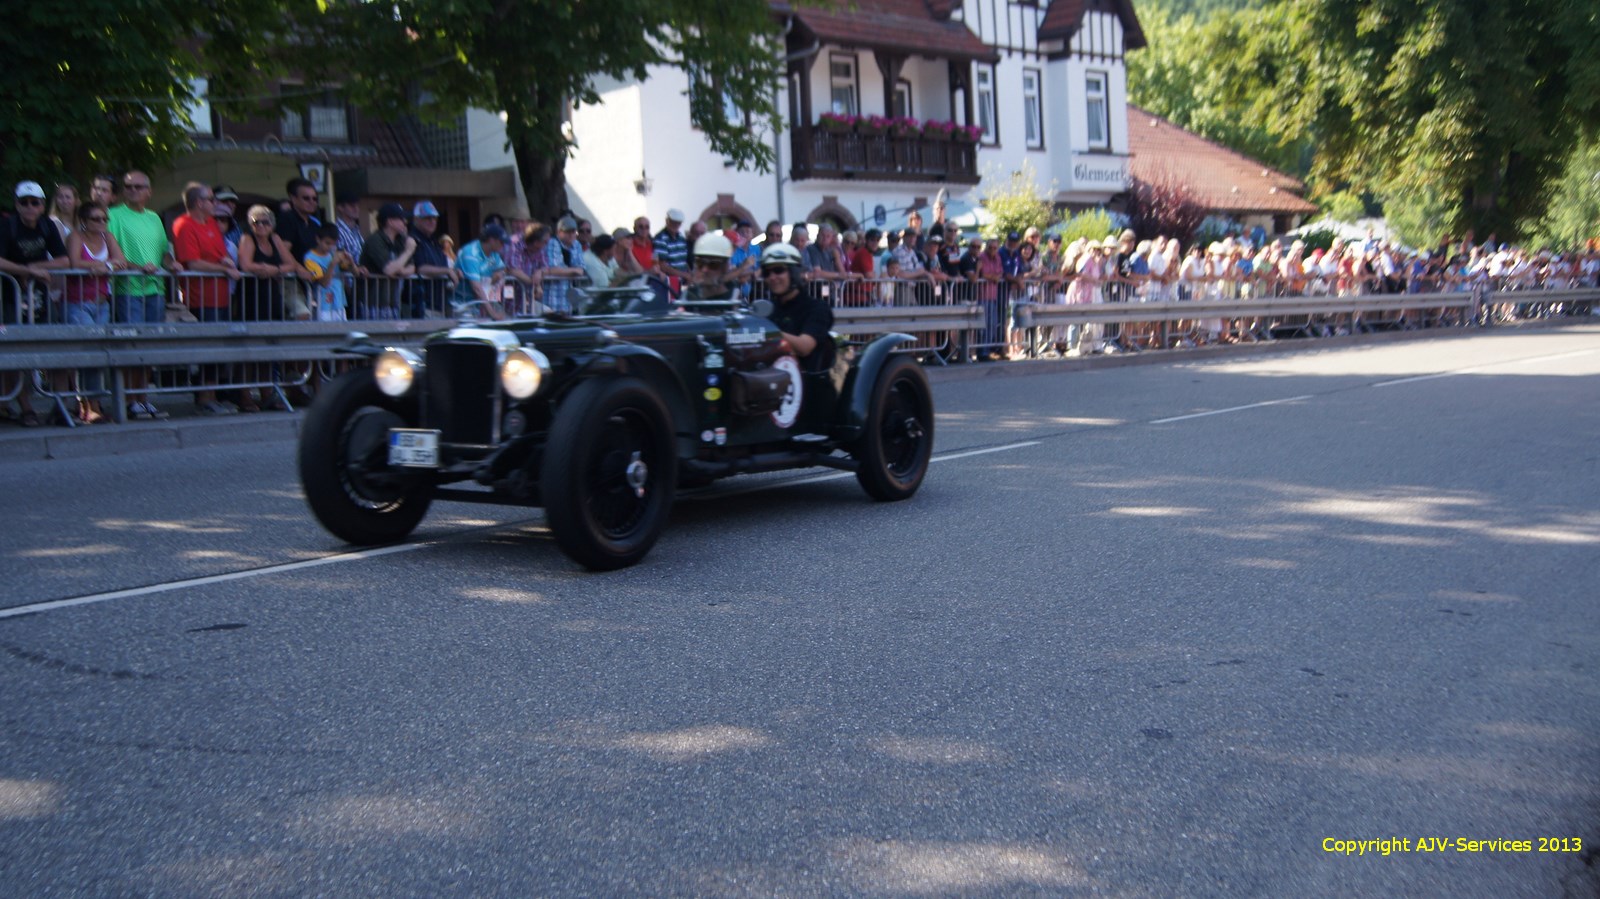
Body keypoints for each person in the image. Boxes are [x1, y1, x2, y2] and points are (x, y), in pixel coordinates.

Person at [0, 182, 72, 426]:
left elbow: (64, 260)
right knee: (14, 354)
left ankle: (60, 405)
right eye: (24, 202)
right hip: (10, 298)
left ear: (42, 206)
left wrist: (34, 268)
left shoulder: (47, 225)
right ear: (17, 205)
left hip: (40, 297)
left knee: (57, 346)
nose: (30, 207)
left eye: (35, 202)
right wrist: (25, 270)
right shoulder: (7, 226)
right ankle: (26, 409)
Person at [107, 170, 177, 419]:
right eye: (128, 187)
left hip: (155, 289)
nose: (133, 191)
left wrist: (172, 264)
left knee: (148, 347)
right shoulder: (113, 215)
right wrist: (139, 268)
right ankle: (129, 400)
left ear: (149, 191)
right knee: (131, 345)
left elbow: (163, 252)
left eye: (138, 187)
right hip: (128, 289)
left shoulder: (154, 218)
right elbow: (112, 253)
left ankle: (143, 398)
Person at [171, 182, 244, 413]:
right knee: (208, 347)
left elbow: (219, 253)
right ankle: (204, 398)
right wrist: (223, 268)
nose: (215, 203)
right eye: (211, 199)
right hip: (200, 297)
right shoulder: (184, 224)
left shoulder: (211, 222)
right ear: (199, 203)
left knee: (219, 348)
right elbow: (193, 263)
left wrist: (225, 261)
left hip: (221, 295)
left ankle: (213, 395)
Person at [61, 199, 126, 422]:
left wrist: (105, 266)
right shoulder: (76, 237)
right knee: (87, 354)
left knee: (99, 353)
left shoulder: (108, 237)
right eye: (95, 219)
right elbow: (74, 263)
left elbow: (121, 261)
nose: (101, 223)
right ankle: (87, 405)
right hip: (78, 302)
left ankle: (94, 403)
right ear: (84, 220)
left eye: (104, 219)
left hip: (101, 303)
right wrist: (101, 265)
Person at [757, 244, 835, 373]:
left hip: (805, 381)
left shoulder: (817, 308)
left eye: (778, 270)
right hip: (767, 378)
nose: (772, 277)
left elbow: (804, 347)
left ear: (794, 273)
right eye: (767, 273)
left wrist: (765, 332)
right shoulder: (769, 309)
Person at [453, 223, 532, 319]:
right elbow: (476, 288)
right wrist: (492, 313)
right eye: (501, 242)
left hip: (479, 304)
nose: (503, 245)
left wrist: (500, 273)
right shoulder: (470, 253)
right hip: (462, 305)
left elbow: (504, 269)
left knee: (505, 320)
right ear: (491, 240)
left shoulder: (494, 252)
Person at [357, 203, 417, 319]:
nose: (405, 222)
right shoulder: (375, 240)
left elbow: (412, 268)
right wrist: (408, 251)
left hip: (393, 302)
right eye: (401, 219)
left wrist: (398, 270)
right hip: (373, 303)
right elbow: (388, 270)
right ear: (390, 221)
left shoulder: (400, 240)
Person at [275, 177, 323, 320]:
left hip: (310, 282)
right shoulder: (287, 219)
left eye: (315, 198)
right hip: (290, 280)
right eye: (306, 198)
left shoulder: (315, 225)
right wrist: (298, 268)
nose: (312, 202)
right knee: (303, 315)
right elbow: (282, 251)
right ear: (293, 199)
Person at [408, 200, 458, 317]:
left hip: (440, 304)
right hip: (422, 305)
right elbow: (420, 268)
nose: (432, 221)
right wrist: (447, 271)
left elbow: (443, 266)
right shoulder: (412, 239)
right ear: (416, 219)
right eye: (427, 218)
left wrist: (454, 271)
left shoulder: (434, 242)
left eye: (434, 218)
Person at [302, 223, 351, 322]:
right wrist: (332, 264)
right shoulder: (310, 258)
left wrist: (351, 262)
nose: (330, 247)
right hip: (323, 305)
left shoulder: (334, 253)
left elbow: (350, 269)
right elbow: (324, 283)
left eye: (333, 244)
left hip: (339, 302)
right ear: (318, 239)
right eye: (327, 243)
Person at [543, 216, 588, 312]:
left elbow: (581, 270)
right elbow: (553, 269)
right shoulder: (552, 243)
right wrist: (573, 270)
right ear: (559, 232)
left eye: (573, 232)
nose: (571, 235)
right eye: (567, 232)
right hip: (552, 295)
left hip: (568, 299)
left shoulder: (577, 245)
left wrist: (564, 270)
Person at [681, 231, 736, 303]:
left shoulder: (733, 300)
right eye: (700, 263)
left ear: (725, 267)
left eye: (713, 264)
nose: (704, 269)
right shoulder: (688, 297)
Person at [653, 209, 690, 295]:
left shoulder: (681, 237)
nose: (676, 225)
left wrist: (690, 275)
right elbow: (662, 266)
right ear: (667, 221)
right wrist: (685, 275)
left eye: (678, 223)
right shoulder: (660, 238)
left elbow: (683, 261)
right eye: (673, 222)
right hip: (669, 283)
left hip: (682, 282)